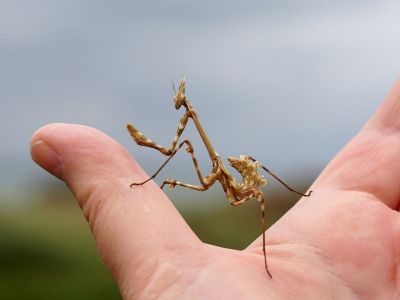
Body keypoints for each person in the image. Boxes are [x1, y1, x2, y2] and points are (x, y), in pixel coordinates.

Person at [30, 81, 400, 299]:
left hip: (237, 186)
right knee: (188, 148)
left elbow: (206, 177)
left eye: (181, 103)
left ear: (186, 105)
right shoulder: (193, 133)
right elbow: (194, 169)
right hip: (221, 180)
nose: (179, 106)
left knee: (233, 179)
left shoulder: (206, 139)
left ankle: (278, 236)